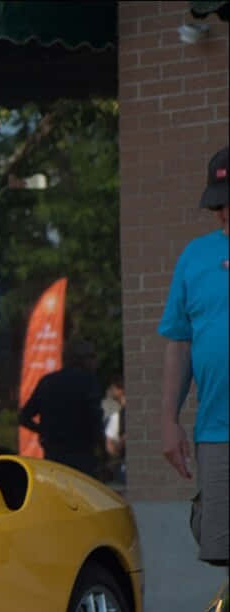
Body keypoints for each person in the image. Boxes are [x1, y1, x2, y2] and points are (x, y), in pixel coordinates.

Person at [159, 144, 228, 567]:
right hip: (217, 433)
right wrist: (169, 421)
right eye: (217, 203)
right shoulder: (194, 257)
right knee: (221, 553)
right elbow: (179, 342)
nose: (223, 212)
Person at [18, 339, 104, 477]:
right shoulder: (89, 382)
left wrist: (43, 431)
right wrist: (104, 453)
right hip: (82, 457)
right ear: (81, 359)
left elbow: (23, 417)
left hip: (54, 456)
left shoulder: (48, 381)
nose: (95, 361)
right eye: (92, 356)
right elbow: (95, 421)